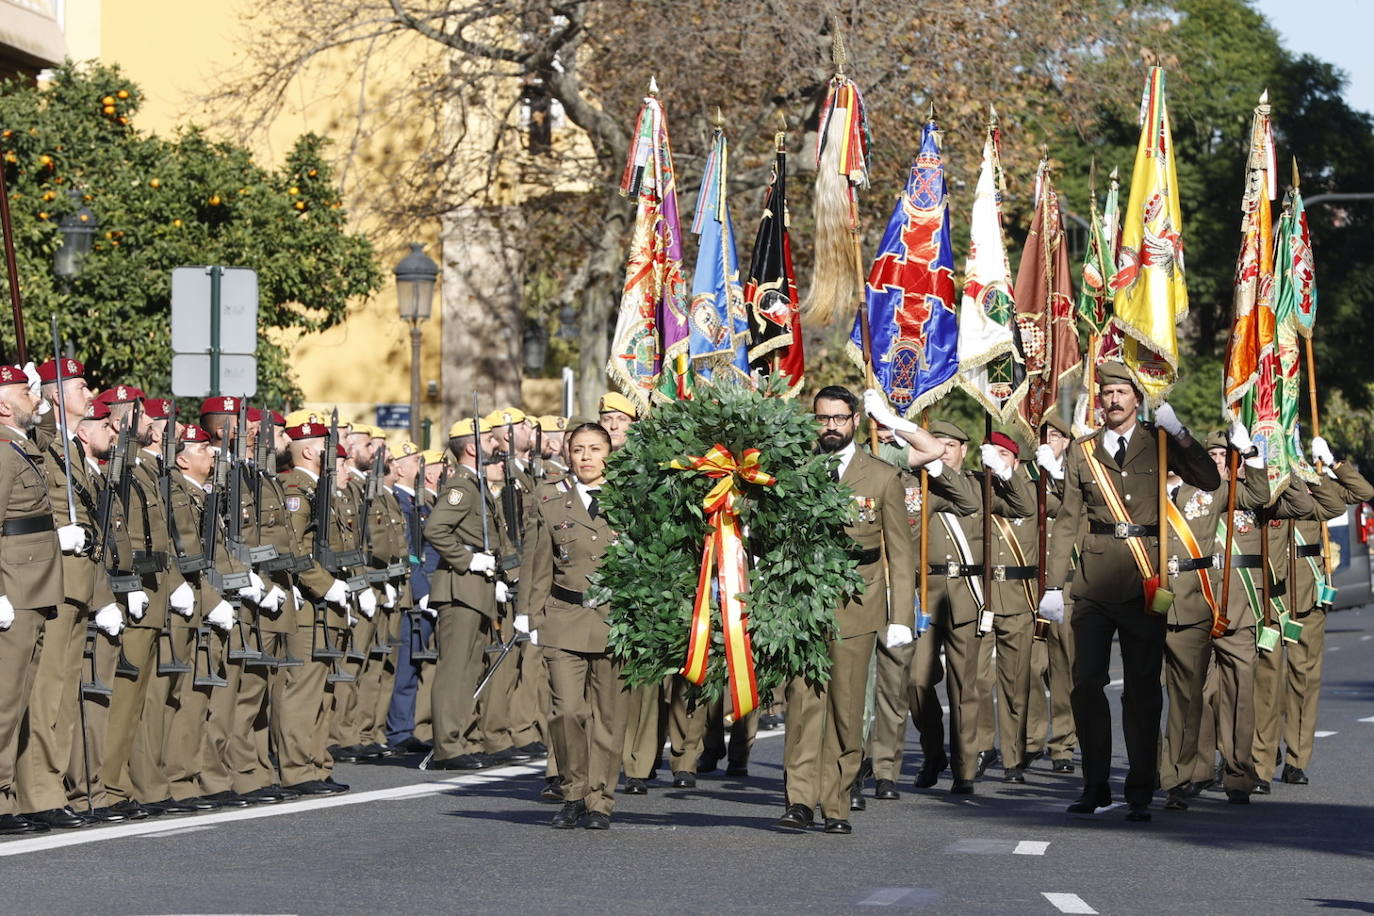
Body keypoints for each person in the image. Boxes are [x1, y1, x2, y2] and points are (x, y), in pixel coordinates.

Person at [1040, 361, 1219, 822]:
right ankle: (1095, 783)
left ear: (1137, 399)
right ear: (1099, 399)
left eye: (1122, 391)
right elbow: (1067, 522)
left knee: (1142, 690)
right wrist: (1054, 585)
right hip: (1096, 581)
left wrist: (1178, 432)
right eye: (1107, 392)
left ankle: (1140, 787)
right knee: (1085, 685)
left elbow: (1209, 478)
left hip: (1146, 580)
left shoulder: (1157, 442)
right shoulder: (1083, 451)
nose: (1114, 400)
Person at [777, 385, 915, 834]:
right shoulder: (798, 469)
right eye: (822, 418)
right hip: (804, 605)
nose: (830, 427)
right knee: (803, 704)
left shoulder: (879, 476)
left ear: (855, 420)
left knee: (846, 707)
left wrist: (901, 618)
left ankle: (835, 801)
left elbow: (900, 552)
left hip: (857, 603)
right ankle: (799, 798)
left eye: (838, 418)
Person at [518, 422, 629, 829]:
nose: (586, 457)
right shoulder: (549, 500)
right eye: (578, 449)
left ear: (608, 453)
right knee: (566, 713)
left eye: (595, 449)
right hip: (564, 619)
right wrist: (528, 614)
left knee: (608, 718)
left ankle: (600, 801)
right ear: (567, 454)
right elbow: (537, 564)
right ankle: (574, 792)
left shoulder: (630, 500)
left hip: (617, 623)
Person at [857, 390, 965, 803]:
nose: (881, 434)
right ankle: (856, 762)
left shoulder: (908, 473)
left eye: (887, 428)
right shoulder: (851, 467)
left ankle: (886, 768)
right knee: (856, 686)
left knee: (892, 685)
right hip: (857, 588)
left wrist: (899, 427)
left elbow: (938, 456)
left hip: (898, 591)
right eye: (876, 426)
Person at [423, 416, 515, 770]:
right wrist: (467, 559)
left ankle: (460, 739)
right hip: (460, 587)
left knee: (469, 669)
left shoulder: (475, 485)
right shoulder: (462, 485)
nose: (495, 446)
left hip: (477, 589)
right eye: (490, 441)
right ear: (473, 447)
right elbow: (436, 528)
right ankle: (448, 747)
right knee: (454, 670)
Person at [0, 365, 63, 835]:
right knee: (4, 702)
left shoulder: (22, 445)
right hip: (15, 589)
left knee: (19, 701)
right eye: (24, 391)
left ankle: (10, 796)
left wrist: (37, 398)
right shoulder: (2, 455)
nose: (33, 396)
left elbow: (45, 428)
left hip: (36, 587)